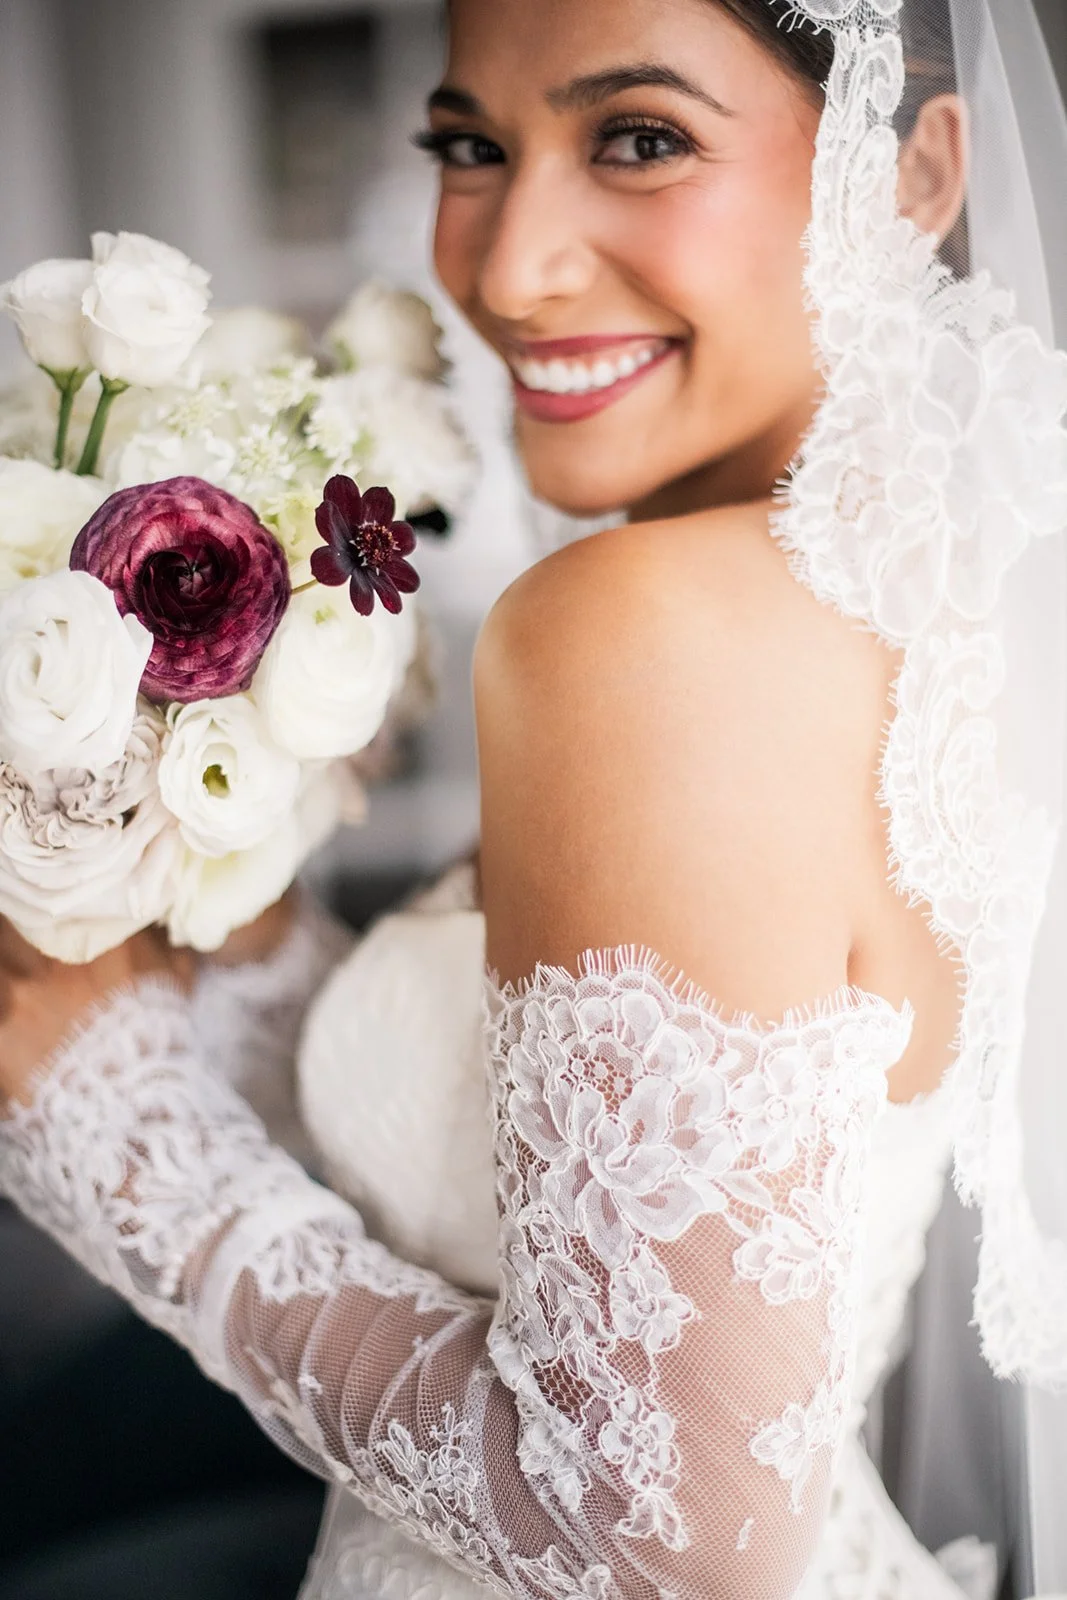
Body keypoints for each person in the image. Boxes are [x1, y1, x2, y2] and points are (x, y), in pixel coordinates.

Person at [3, 1, 1067, 1596]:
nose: (503, 270)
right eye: (469, 149)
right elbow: (549, 1202)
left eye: (639, 138)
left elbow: (661, 1548)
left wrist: (118, 1137)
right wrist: (216, 920)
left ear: (911, 171)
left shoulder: (640, 634)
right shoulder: (918, 610)